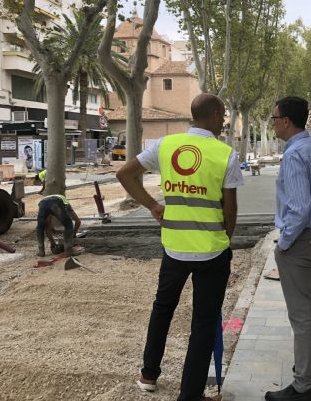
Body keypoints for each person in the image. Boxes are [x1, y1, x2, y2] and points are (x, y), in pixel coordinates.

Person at [116, 93, 242, 401]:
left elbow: (124, 173)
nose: (224, 122)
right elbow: (230, 209)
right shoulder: (225, 154)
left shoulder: (165, 145)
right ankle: (190, 394)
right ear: (215, 115)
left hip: (173, 246)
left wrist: (152, 205)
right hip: (212, 250)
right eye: (223, 116)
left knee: (162, 308)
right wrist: (226, 239)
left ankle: (148, 375)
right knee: (203, 322)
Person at [265, 97, 311, 401]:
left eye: (274, 118)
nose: (272, 123)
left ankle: (303, 386)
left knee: (302, 315)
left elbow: (299, 207)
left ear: (286, 121)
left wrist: (284, 243)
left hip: (301, 241)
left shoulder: (295, 154)